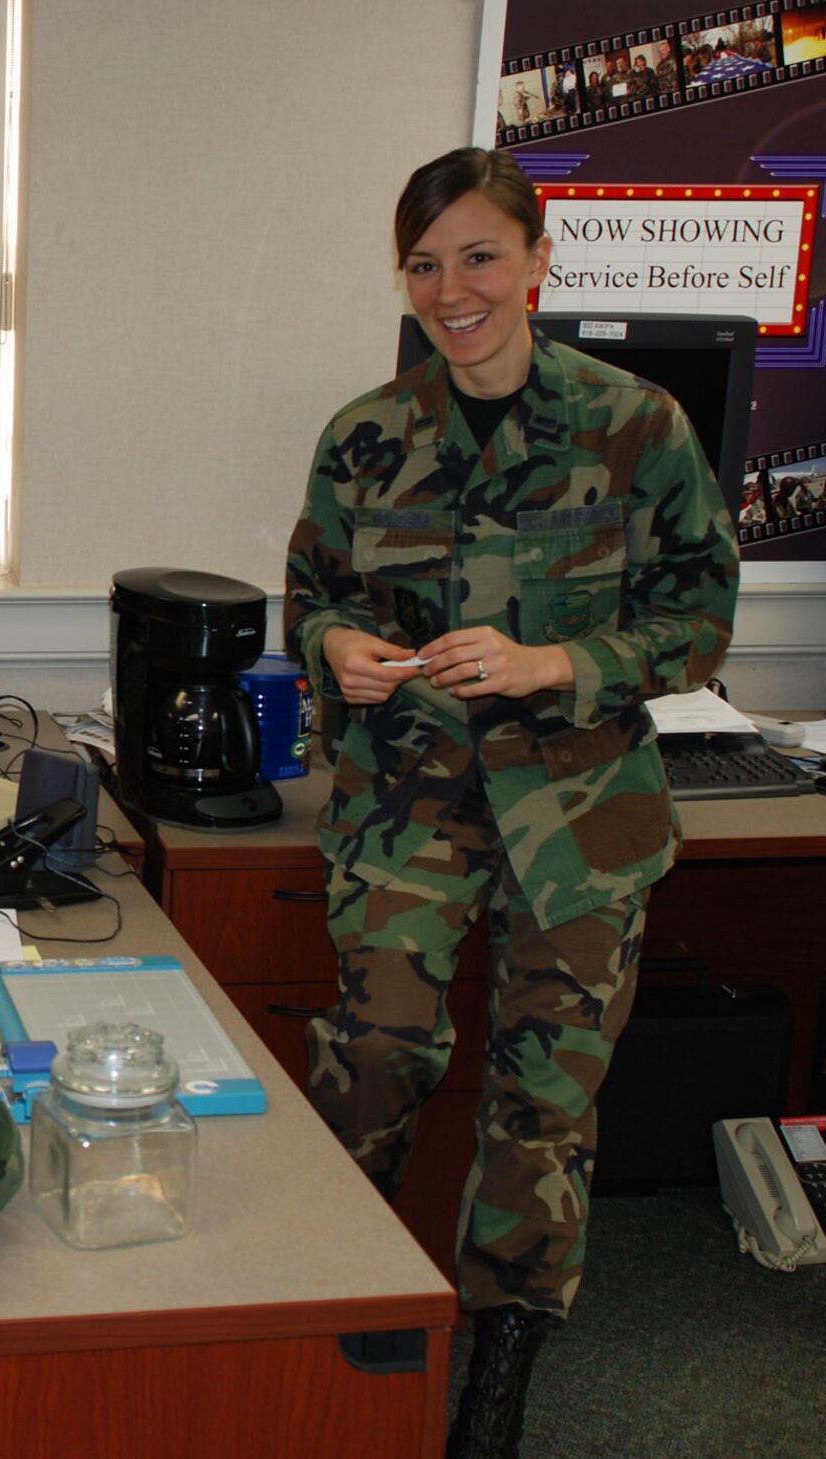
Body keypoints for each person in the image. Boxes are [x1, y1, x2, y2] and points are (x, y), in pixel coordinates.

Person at [283, 147, 738, 1459]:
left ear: (538, 262)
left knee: (545, 1100)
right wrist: (336, 650)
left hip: (579, 811)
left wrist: (560, 662)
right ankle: (328, 1315)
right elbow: (316, 592)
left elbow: (700, 617)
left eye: (479, 255)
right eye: (425, 264)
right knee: (375, 1057)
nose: (452, 287)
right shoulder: (368, 433)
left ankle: (503, 1366)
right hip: (410, 803)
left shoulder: (637, 424)